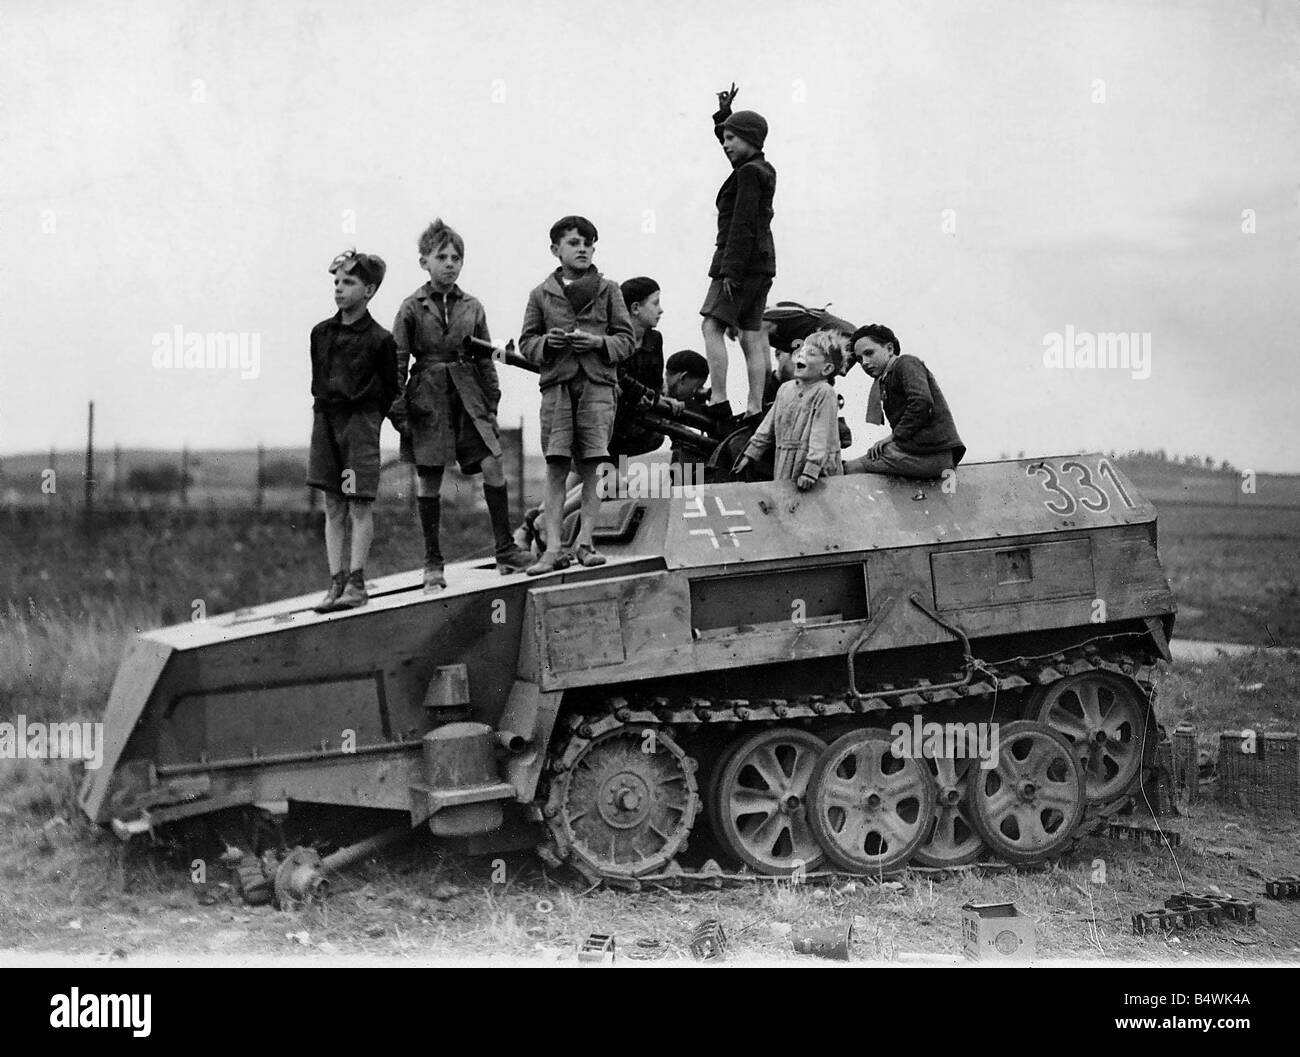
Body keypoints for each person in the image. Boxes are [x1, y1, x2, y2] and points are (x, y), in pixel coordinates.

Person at [390, 219, 533, 593]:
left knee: (493, 462)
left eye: (457, 257)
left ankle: (506, 551)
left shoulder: (473, 306)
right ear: (425, 262)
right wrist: (400, 412)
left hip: (468, 393)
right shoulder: (411, 307)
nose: (450, 264)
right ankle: (432, 564)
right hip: (428, 399)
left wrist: (491, 402)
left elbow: (486, 358)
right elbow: (396, 362)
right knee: (431, 476)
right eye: (442, 257)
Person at [519, 215, 634, 574]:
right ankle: (553, 549)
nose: (582, 248)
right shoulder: (540, 294)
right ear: (556, 250)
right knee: (556, 467)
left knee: (592, 468)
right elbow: (526, 342)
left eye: (588, 242)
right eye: (573, 242)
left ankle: (585, 543)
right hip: (557, 388)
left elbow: (626, 340)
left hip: (598, 387)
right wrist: (545, 344)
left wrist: (598, 342)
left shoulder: (609, 289)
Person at [306, 250, 398, 612]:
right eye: (337, 282)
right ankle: (336, 581)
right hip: (326, 420)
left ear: (370, 290)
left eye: (349, 282)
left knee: (359, 502)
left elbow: (391, 388)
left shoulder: (381, 339)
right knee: (333, 504)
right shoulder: (320, 333)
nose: (340, 289)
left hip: (360, 423)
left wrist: (369, 418)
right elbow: (318, 378)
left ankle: (357, 584)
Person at [701, 82, 777, 421]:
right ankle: (755, 407)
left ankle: (718, 399)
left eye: (732, 138)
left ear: (750, 140)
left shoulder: (747, 174)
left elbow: (742, 224)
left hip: (738, 264)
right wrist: (725, 117)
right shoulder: (760, 169)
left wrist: (730, 271)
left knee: (711, 327)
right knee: (750, 334)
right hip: (762, 265)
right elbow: (738, 145)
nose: (726, 144)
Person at [842, 324, 965, 478]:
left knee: (849, 468)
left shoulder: (906, 363)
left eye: (869, 353)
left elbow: (921, 402)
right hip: (922, 451)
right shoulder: (885, 380)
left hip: (931, 454)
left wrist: (893, 437)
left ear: (889, 349)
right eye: (859, 359)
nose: (864, 362)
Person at [734, 330, 845, 490]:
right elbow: (768, 426)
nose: (801, 356)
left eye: (811, 354)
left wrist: (811, 471)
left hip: (817, 469)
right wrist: (750, 454)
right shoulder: (785, 389)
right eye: (801, 351)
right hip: (785, 461)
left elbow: (820, 435)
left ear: (827, 369)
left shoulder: (824, 392)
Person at [608, 276, 666, 459]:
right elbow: (614, 376)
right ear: (635, 308)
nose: (661, 310)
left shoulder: (654, 340)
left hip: (632, 424)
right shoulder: (612, 338)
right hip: (606, 423)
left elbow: (656, 383)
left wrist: (650, 397)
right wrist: (638, 393)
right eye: (655, 304)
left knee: (615, 481)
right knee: (578, 476)